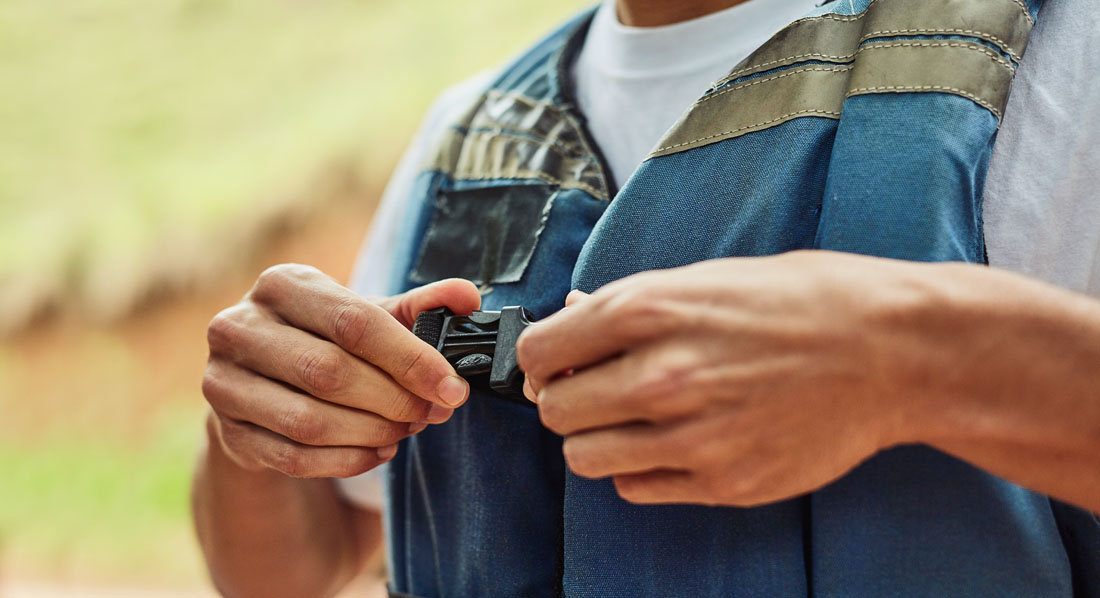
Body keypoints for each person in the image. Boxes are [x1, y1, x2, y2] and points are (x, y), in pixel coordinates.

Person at [192, 0, 1100, 596]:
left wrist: (922, 361)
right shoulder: (467, 133)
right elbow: (287, 570)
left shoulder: (1066, 59)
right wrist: (257, 430)